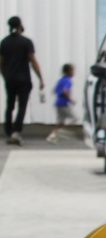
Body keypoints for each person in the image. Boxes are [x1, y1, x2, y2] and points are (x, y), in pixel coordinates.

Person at [0, 16, 45, 146]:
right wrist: (40, 78)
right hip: (24, 79)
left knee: (10, 105)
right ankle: (16, 131)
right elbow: (33, 61)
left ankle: (8, 131)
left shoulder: (4, 42)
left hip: (10, 79)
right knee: (22, 106)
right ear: (20, 25)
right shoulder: (26, 42)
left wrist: (5, 76)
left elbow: (1, 63)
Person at [46, 63, 77, 143]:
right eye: (73, 70)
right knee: (74, 118)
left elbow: (54, 90)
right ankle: (62, 132)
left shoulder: (61, 80)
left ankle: (52, 135)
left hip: (58, 103)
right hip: (64, 104)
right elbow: (65, 91)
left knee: (60, 121)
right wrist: (71, 100)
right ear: (69, 71)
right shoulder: (68, 81)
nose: (74, 72)